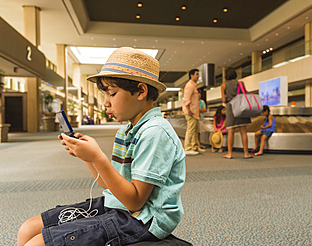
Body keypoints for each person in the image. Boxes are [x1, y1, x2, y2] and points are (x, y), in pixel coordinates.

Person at [17, 47, 187, 246]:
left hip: (143, 219)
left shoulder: (155, 132)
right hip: (119, 205)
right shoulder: (126, 131)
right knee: (27, 230)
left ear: (141, 91)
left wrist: (98, 157)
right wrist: (87, 157)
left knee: (36, 244)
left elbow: (135, 201)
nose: (105, 103)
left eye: (112, 93)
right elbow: (111, 186)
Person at [221, 67, 253, 159]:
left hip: (231, 109)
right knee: (243, 131)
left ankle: (229, 154)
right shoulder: (240, 83)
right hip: (241, 108)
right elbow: (245, 94)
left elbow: (223, 100)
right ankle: (246, 153)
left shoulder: (224, 85)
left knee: (230, 131)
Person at [182, 69, 204, 155]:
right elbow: (186, 99)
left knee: (195, 130)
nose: (198, 76)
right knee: (190, 130)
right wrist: (189, 110)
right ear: (191, 75)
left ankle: (195, 147)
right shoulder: (190, 85)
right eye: (197, 74)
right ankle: (187, 148)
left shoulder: (194, 85)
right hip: (190, 112)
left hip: (194, 112)